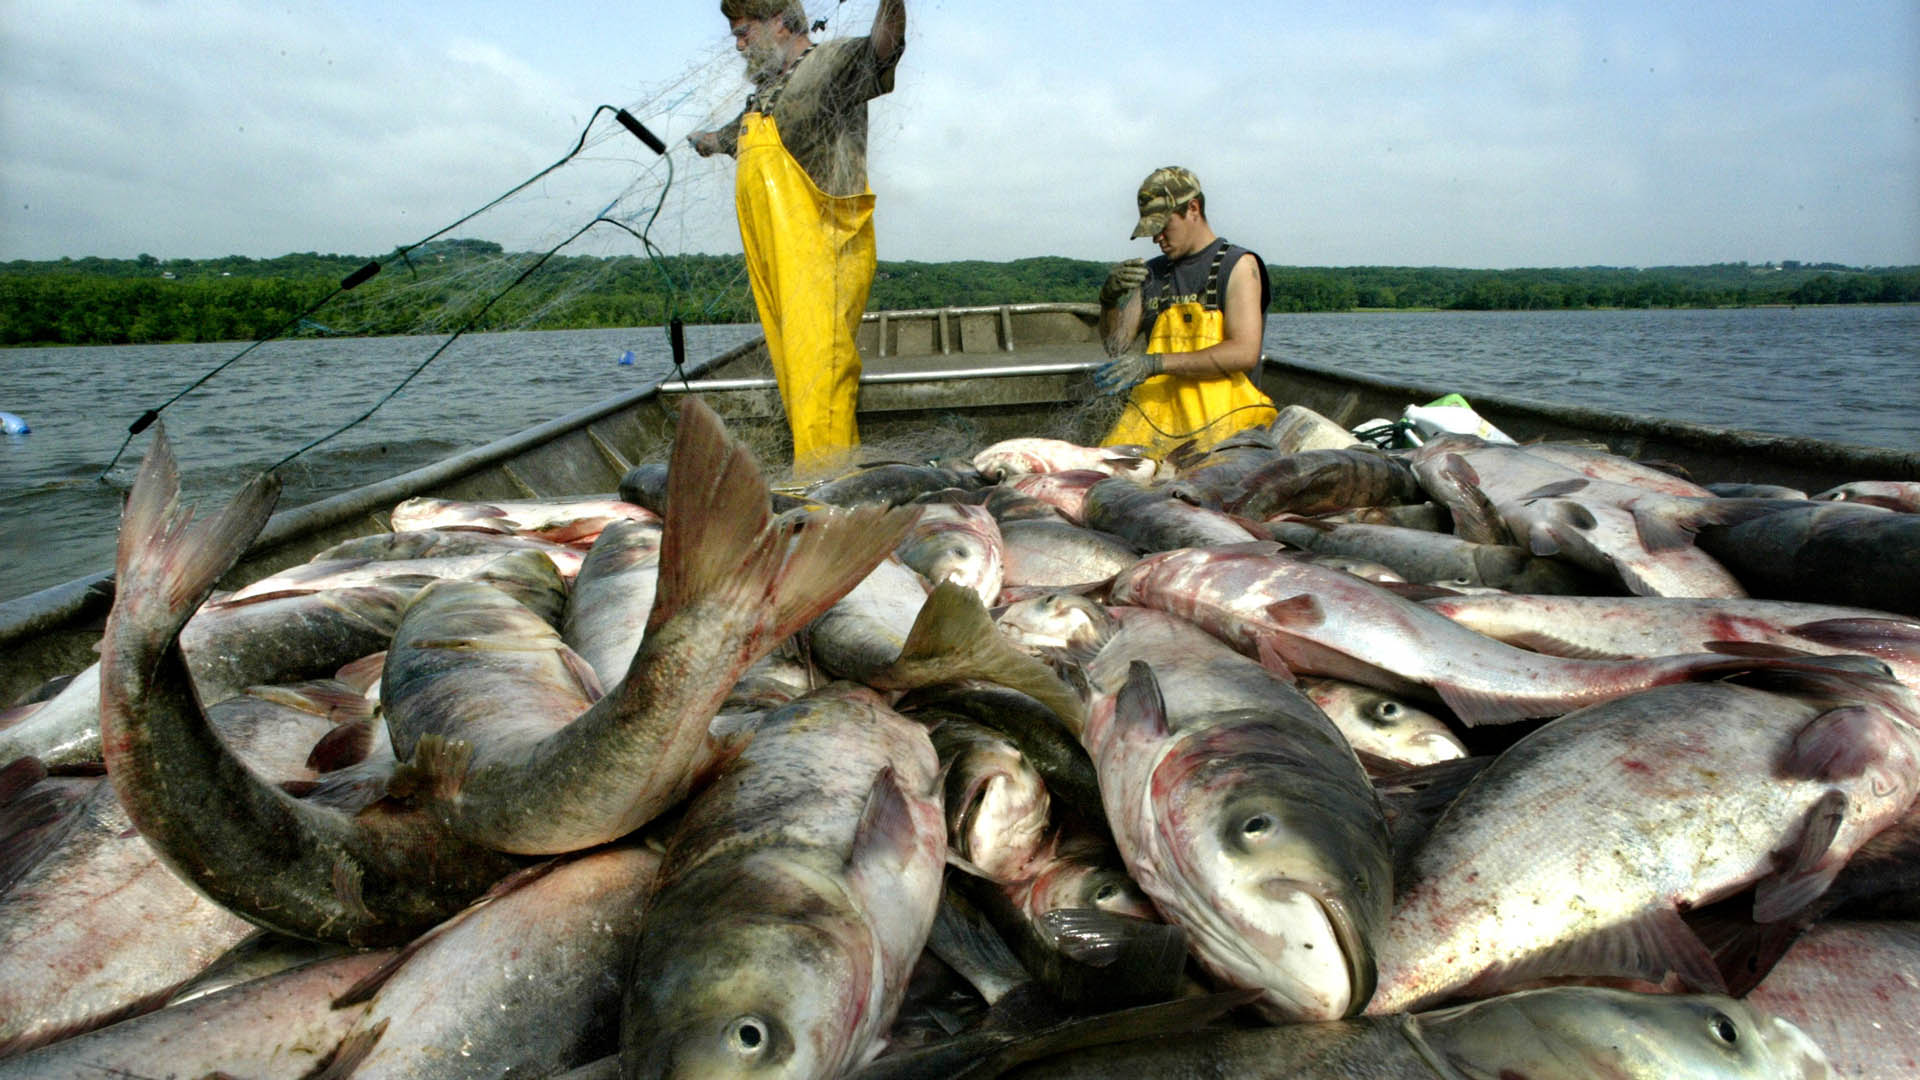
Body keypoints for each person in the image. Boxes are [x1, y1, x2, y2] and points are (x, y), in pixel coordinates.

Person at [688, 0, 906, 478]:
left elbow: (882, 49)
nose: (739, 44)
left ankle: (830, 499)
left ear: (783, 23)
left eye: (744, 32)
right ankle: (823, 485)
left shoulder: (830, 65)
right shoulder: (766, 93)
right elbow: (739, 137)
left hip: (823, 254)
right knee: (795, 380)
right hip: (777, 262)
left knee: (819, 381)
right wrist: (711, 141)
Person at [1094, 166, 1277, 453]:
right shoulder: (1151, 273)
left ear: (1193, 208)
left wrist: (1154, 364)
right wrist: (1108, 301)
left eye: (1162, 227)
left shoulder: (1238, 265)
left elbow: (1244, 352)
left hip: (1226, 430)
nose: (1157, 239)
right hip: (1153, 428)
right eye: (1152, 232)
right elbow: (1117, 347)